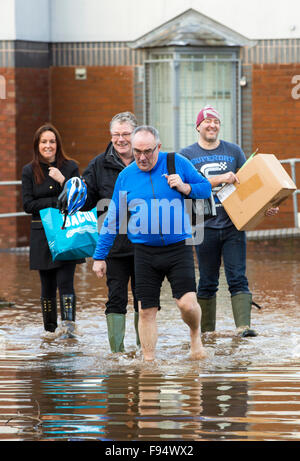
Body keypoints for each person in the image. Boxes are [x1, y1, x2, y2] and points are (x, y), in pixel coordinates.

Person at [92, 125, 212, 361]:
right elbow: (114, 218)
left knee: (187, 305)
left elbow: (206, 188)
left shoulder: (176, 162)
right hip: (144, 252)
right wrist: (99, 256)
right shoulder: (126, 176)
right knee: (146, 310)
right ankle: (149, 364)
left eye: (147, 151)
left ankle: (195, 334)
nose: (142, 157)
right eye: (137, 151)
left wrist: (185, 187)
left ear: (158, 146)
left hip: (179, 247)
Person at [180, 105, 279, 337]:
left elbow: (250, 186)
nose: (212, 125)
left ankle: (243, 328)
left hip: (234, 225)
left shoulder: (234, 151)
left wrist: (266, 208)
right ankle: (206, 333)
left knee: (238, 277)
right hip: (202, 227)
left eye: (216, 121)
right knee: (207, 280)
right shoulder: (186, 155)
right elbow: (185, 188)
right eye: (207, 121)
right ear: (198, 126)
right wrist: (219, 178)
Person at [80, 112, 139, 353]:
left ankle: (143, 349)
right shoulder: (98, 164)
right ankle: (118, 353)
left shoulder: (148, 160)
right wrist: (74, 191)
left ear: (135, 134)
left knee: (146, 299)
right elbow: (85, 204)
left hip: (146, 245)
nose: (121, 139)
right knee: (116, 298)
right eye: (116, 134)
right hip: (114, 246)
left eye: (126, 134)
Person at [22, 123, 85, 337]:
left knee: (65, 282)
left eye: (51, 141)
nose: (48, 145)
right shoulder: (29, 170)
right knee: (47, 285)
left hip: (65, 232)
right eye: (44, 142)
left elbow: (78, 199)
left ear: (57, 144)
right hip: (41, 235)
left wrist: (63, 181)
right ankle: (49, 330)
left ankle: (68, 330)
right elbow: (28, 205)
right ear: (37, 145)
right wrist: (53, 201)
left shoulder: (70, 167)